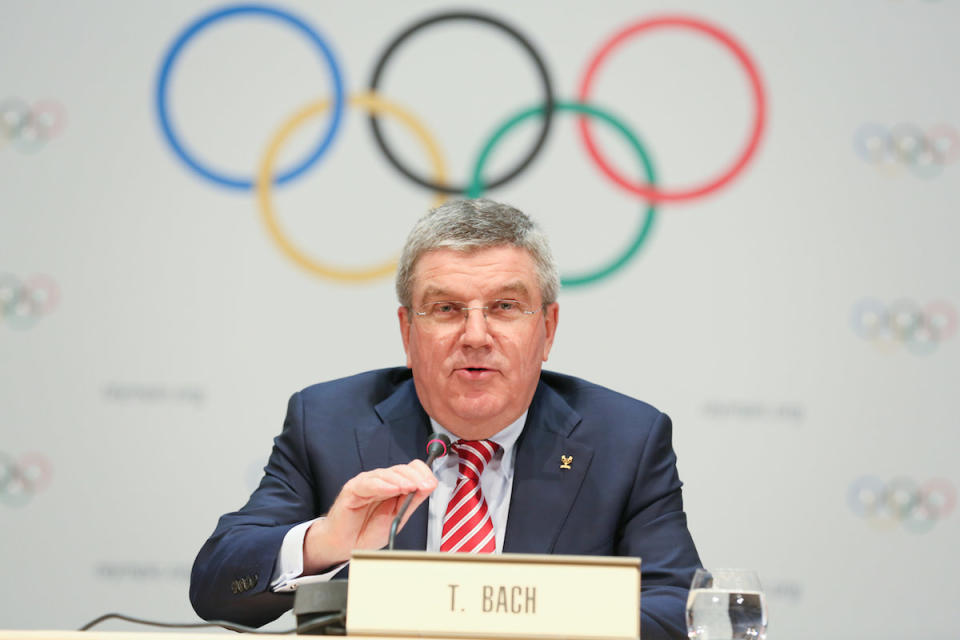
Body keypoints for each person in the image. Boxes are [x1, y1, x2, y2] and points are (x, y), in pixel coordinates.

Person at [190, 199, 701, 639]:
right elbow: (215, 583)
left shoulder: (625, 439)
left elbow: (680, 607)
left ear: (547, 328)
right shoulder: (327, 422)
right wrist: (325, 541)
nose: (476, 335)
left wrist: (531, 618)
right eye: (446, 309)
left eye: (505, 306)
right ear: (407, 332)